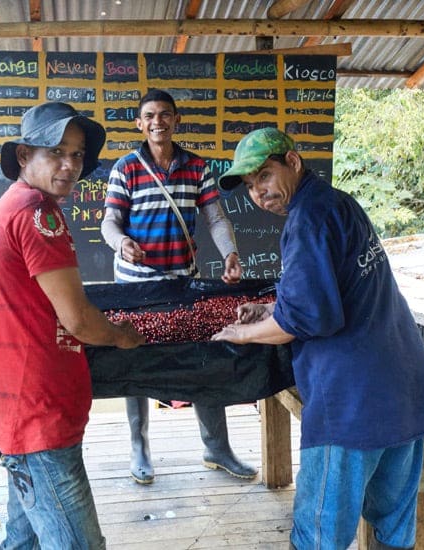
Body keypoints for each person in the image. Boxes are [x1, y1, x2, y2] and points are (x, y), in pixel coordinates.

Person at [212, 127, 424, 550]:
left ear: (293, 162)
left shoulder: (307, 220)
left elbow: (305, 319)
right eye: (250, 186)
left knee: (320, 536)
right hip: (408, 392)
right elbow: (333, 292)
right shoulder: (339, 203)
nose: (258, 193)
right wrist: (269, 310)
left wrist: (245, 332)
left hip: (353, 406)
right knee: (395, 532)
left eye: (264, 176)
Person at [0, 101, 145, 549]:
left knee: (24, 541)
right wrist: (124, 336)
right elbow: (78, 320)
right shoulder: (38, 213)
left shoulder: (6, 207)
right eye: (56, 152)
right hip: (40, 415)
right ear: (23, 156)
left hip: (19, 410)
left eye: (76, 155)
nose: (69, 165)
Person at [100, 89, 256, 484]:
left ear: (176, 120)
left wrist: (230, 253)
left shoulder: (197, 167)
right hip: (135, 288)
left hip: (183, 283)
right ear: (139, 123)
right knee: (132, 363)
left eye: (165, 115)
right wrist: (122, 243)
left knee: (201, 361)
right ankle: (140, 448)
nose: (158, 122)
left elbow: (216, 218)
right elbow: (109, 222)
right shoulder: (126, 168)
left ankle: (216, 449)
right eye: (149, 115)